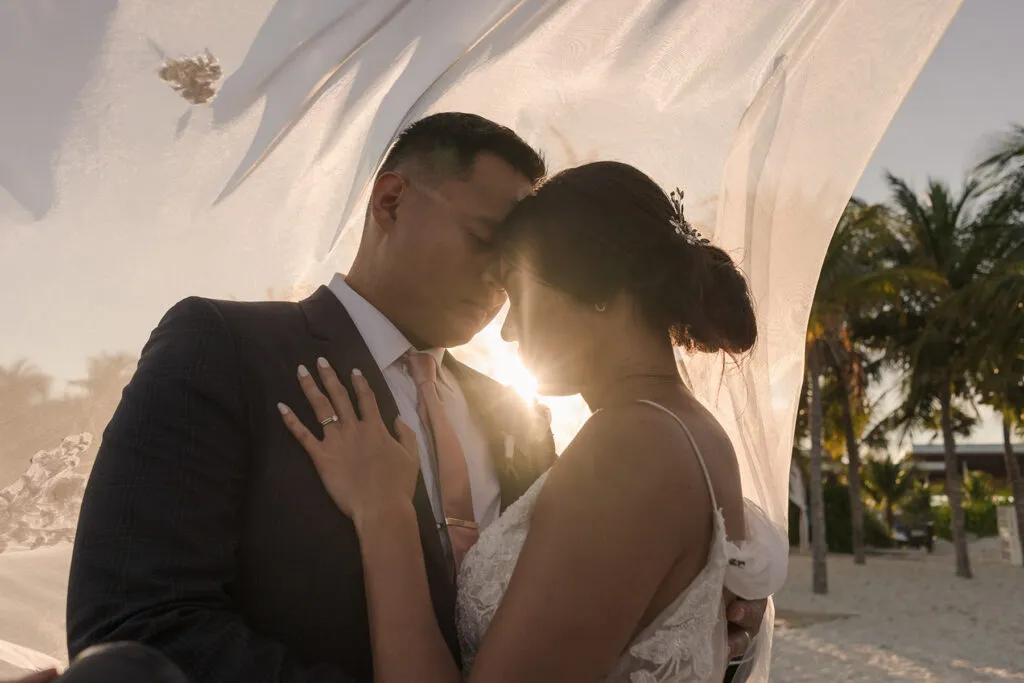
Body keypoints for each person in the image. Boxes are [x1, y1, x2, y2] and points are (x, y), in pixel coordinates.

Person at [66, 113, 766, 682]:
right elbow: (135, 621)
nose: (502, 286)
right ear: (392, 200)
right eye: (487, 242)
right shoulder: (223, 347)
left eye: (524, 265)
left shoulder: (520, 415)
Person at [279, 161, 787, 682]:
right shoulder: (689, 429)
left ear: (599, 290)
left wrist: (385, 514)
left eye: (520, 297)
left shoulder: (631, 444)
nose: (508, 332)